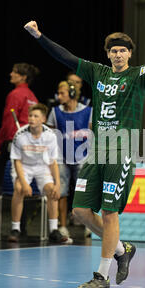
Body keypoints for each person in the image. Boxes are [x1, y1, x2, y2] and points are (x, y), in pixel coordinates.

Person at [24, 19, 145, 288]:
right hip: (97, 149)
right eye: (113, 50)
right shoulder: (97, 72)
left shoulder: (139, 76)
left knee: (110, 212)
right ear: (108, 54)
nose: (118, 54)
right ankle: (122, 250)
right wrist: (39, 36)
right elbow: (65, 56)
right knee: (80, 211)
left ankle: (102, 276)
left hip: (122, 149)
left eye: (123, 50)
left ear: (129, 54)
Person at [7, 103, 72, 244]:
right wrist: (24, 183)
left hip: (42, 166)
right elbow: (17, 161)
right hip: (24, 166)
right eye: (30, 115)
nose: (31, 118)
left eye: (35, 116)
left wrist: (58, 184)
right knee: (18, 189)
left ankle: (53, 230)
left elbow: (53, 162)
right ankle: (15, 229)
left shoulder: (50, 136)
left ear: (43, 119)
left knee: (52, 191)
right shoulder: (20, 135)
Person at [0, 63, 39, 228]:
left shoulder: (15, 94)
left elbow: (9, 122)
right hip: (30, 144)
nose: (10, 74)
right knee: (22, 181)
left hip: (13, 143)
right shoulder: (32, 96)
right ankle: (22, 225)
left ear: (23, 77)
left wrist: (0, 142)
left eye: (14, 72)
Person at [46, 80, 92, 238]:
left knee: (84, 193)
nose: (59, 97)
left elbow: (93, 133)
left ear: (72, 94)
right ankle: (63, 226)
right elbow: (50, 135)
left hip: (82, 158)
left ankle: (89, 225)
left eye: (62, 93)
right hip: (61, 158)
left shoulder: (88, 111)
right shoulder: (55, 112)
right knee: (62, 193)